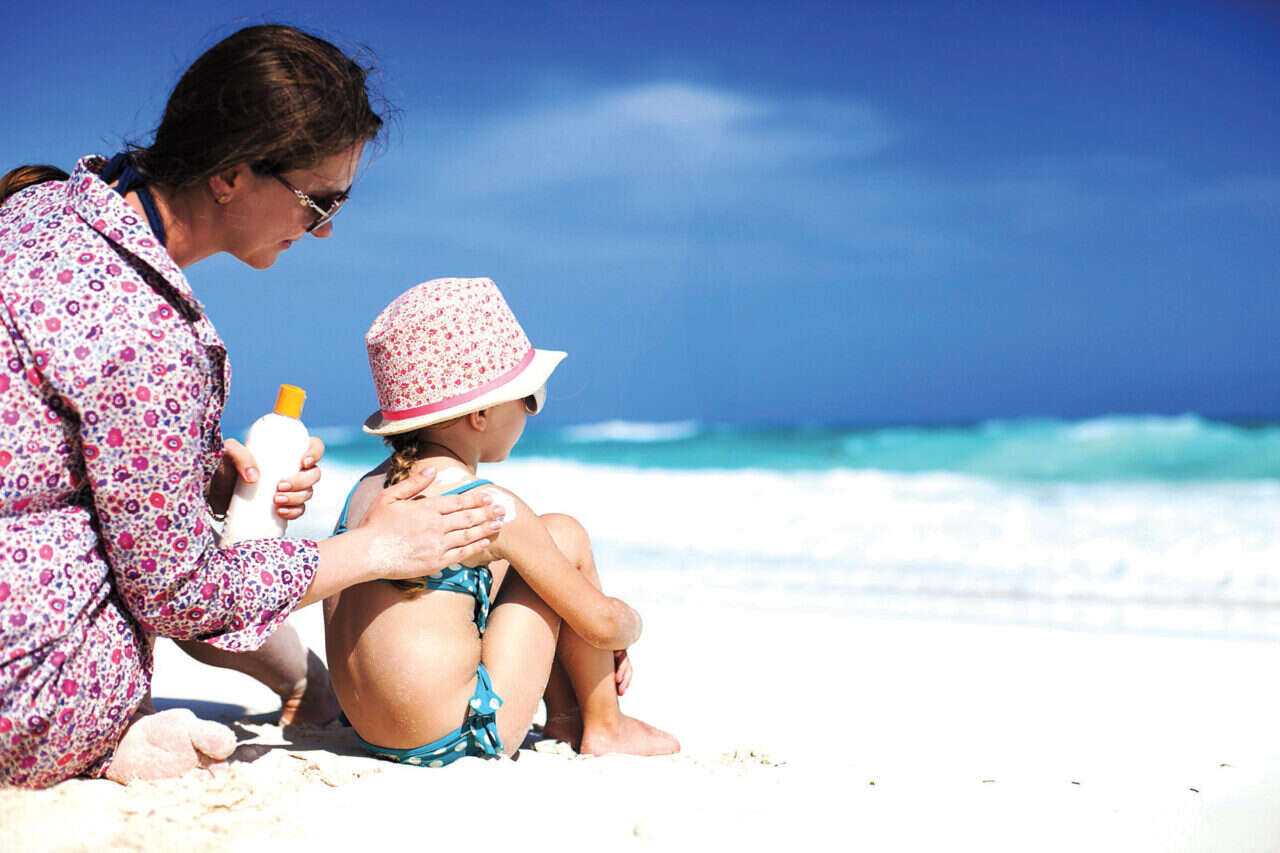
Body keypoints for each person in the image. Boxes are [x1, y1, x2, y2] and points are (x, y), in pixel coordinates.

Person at [0, 25, 503, 789]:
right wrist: (377, 548)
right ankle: (99, 744)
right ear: (230, 174)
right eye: (318, 201)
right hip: (25, 701)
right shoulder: (147, 335)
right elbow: (179, 593)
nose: (326, 229)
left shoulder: (40, 210)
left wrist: (195, 474)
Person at [325, 277, 679, 766]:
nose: (531, 412)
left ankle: (564, 718)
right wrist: (625, 627)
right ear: (481, 413)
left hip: (374, 735)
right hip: (458, 740)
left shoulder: (368, 492)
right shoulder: (488, 506)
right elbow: (601, 625)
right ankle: (606, 725)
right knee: (562, 535)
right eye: (529, 398)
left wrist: (583, 622)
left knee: (524, 566)